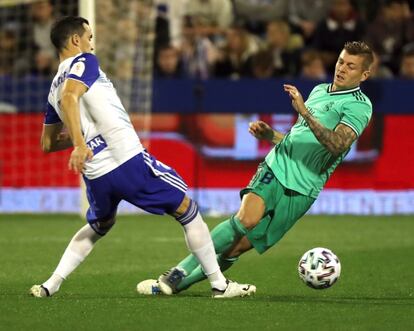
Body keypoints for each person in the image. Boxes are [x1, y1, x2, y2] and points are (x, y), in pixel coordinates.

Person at [29, 16, 255, 299]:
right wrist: (78, 143)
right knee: (188, 210)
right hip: (126, 159)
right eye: (88, 37)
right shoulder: (85, 62)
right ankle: (220, 285)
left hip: (97, 173)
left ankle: (51, 284)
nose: (91, 44)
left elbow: (47, 143)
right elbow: (71, 98)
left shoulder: (52, 88)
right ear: (75, 40)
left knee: (100, 225)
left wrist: (84, 143)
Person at [137, 41, 374, 295]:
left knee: (236, 248)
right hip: (278, 165)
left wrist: (304, 111)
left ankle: (176, 286)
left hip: (305, 188)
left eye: (350, 66)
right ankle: (179, 271)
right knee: (245, 219)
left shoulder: (360, 106)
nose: (341, 69)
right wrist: (271, 136)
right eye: (340, 61)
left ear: (364, 74)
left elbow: (337, 145)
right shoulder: (319, 90)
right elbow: (298, 140)